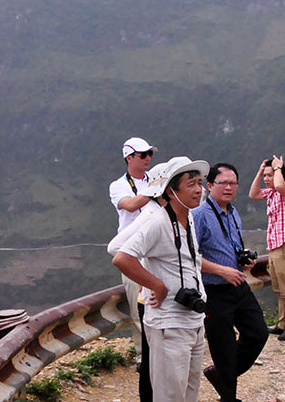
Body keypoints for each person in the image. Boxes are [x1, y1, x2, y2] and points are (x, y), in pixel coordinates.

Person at [112, 157, 210, 402]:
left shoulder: (190, 219)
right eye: (191, 184)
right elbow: (122, 257)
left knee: (189, 393)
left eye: (200, 183)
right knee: (169, 396)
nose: (199, 189)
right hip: (169, 323)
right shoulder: (157, 221)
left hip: (193, 320)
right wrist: (155, 284)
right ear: (171, 190)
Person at [192, 162, 269, 402]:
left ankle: (220, 374)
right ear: (210, 185)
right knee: (223, 347)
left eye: (233, 183)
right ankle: (229, 396)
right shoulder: (199, 216)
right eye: (223, 182)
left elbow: (231, 245)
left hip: (237, 284)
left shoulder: (233, 213)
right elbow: (190, 256)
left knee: (258, 333)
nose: (229, 187)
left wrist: (241, 261)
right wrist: (221, 270)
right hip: (213, 291)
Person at [108, 136, 156, 377]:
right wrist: (159, 187)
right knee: (137, 305)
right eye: (142, 154)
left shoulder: (155, 179)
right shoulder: (118, 185)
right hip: (131, 253)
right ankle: (141, 354)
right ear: (129, 158)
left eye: (150, 154)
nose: (148, 158)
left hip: (155, 249)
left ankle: (159, 350)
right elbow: (129, 204)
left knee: (158, 300)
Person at [248, 155, 285, 341]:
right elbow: (252, 194)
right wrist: (260, 171)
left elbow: (280, 186)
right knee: (279, 288)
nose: (267, 179)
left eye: (270, 175)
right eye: (265, 176)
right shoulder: (271, 194)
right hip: (274, 246)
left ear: (279, 174)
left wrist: (278, 168)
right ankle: (282, 323)